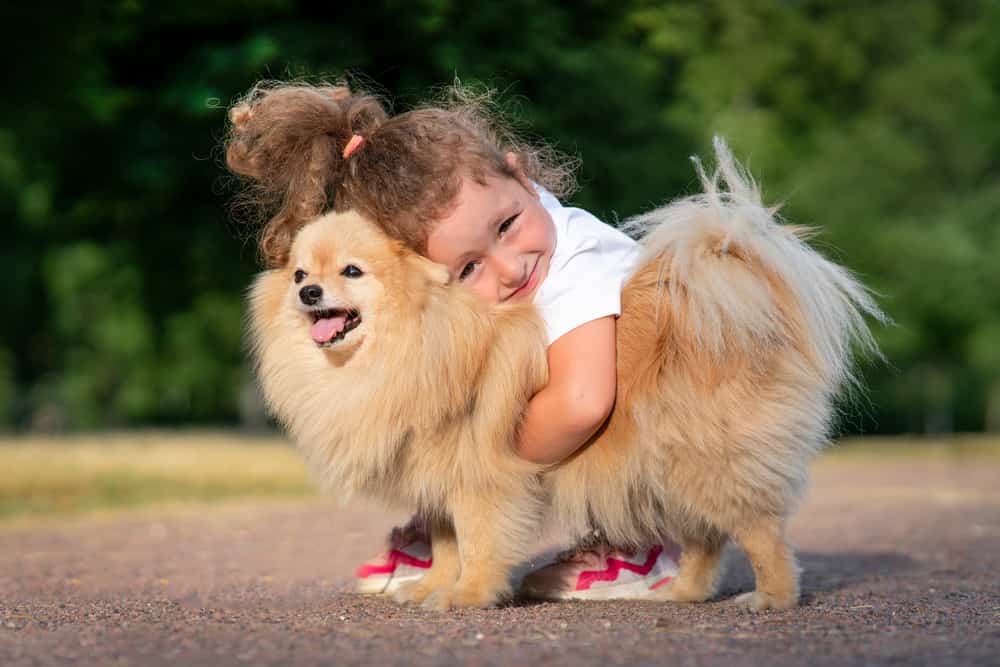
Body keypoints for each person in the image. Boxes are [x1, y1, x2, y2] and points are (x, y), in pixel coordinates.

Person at [225, 80, 680, 600]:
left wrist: (477, 469)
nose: (509, 270)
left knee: (492, 429)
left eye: (506, 227)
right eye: (467, 268)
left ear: (523, 177)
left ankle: (638, 539)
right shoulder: (503, 213)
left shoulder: (579, 259)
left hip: (658, 425)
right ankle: (447, 528)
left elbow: (582, 404)